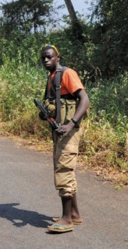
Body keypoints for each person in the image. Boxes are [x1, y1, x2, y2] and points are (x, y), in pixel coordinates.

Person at [39, 45, 90, 233]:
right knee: (63, 168)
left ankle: (66, 220)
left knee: (64, 170)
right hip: (59, 132)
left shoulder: (67, 74)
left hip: (68, 131)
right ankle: (74, 214)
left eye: (49, 57)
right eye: (43, 58)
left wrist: (71, 123)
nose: (46, 60)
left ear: (57, 58)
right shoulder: (52, 76)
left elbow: (84, 99)